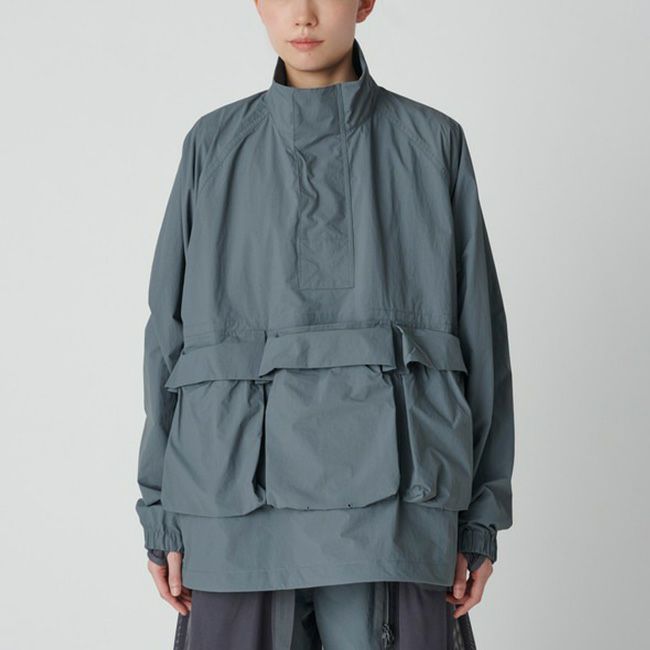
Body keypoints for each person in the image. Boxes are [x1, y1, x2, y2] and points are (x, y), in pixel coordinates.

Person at [134, 1, 515, 647]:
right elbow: (166, 341)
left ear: (365, 2)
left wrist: (481, 517)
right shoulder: (213, 144)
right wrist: (161, 512)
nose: (303, 14)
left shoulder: (432, 143)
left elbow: (481, 339)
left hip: (396, 514)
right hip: (233, 510)